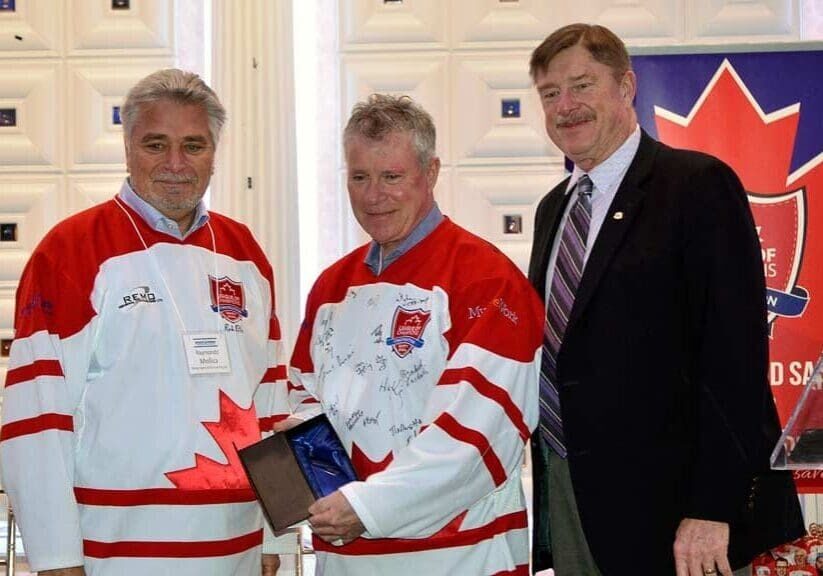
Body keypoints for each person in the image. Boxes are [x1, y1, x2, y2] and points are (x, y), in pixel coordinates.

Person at [526, 23, 804, 576]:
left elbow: (734, 361)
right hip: (574, 495)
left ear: (627, 86)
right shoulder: (552, 209)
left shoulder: (696, 186)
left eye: (581, 85)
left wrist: (713, 506)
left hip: (679, 516)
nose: (565, 106)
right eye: (550, 94)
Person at [0, 69, 284, 575]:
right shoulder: (69, 252)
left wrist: (273, 540)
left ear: (215, 153)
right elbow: (36, 421)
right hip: (115, 554)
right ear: (128, 146)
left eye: (193, 146)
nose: (176, 164)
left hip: (236, 551)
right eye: (157, 144)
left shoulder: (246, 256)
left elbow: (270, 402)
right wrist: (55, 557)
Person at [274, 94, 543, 575]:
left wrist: (366, 507)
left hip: (457, 557)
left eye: (392, 177)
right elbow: (305, 402)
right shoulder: (331, 287)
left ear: (431, 172)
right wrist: (316, 486)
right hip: (347, 559)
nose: (373, 195)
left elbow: (476, 438)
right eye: (360, 177)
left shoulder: (487, 280)